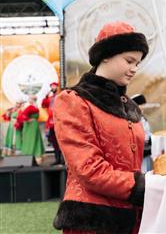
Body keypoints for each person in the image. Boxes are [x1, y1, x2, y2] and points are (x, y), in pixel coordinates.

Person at [52, 21, 149, 234]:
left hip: (132, 218)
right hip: (91, 222)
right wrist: (142, 186)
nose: (134, 69)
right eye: (129, 60)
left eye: (138, 63)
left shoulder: (129, 106)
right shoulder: (73, 100)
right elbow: (88, 168)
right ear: (105, 55)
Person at [17, 95, 45, 161]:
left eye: (30, 99)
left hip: (32, 125)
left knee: (33, 138)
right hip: (31, 125)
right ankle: (32, 154)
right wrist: (28, 119)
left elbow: (23, 115)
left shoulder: (32, 106)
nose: (29, 100)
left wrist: (28, 119)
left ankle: (32, 154)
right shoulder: (32, 106)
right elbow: (22, 115)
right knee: (31, 139)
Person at [42, 82, 63, 165]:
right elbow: (43, 105)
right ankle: (57, 159)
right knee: (54, 141)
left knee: (61, 141)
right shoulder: (50, 98)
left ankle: (64, 160)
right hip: (51, 123)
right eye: (51, 87)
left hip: (60, 122)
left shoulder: (60, 96)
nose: (52, 88)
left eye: (54, 86)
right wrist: (46, 96)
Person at [131, 94, 152, 172]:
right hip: (140, 152)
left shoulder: (143, 118)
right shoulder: (132, 119)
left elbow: (147, 132)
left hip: (147, 151)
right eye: (141, 105)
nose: (143, 107)